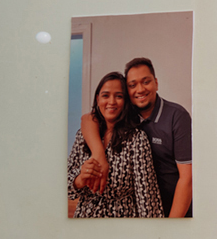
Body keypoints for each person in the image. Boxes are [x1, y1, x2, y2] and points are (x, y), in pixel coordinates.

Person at [80, 57, 193, 217]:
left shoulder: (177, 116)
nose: (139, 90)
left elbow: (187, 178)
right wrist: (99, 155)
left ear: (156, 83)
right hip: (137, 211)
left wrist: (171, 225)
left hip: (174, 209)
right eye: (132, 85)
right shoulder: (126, 114)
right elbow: (87, 119)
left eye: (146, 82)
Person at [67, 72, 163, 218]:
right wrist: (80, 179)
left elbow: (147, 197)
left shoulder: (137, 139)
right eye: (105, 95)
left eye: (119, 96)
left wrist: (152, 229)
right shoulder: (83, 135)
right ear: (98, 99)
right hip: (85, 218)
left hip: (121, 220)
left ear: (125, 101)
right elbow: (65, 188)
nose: (111, 102)